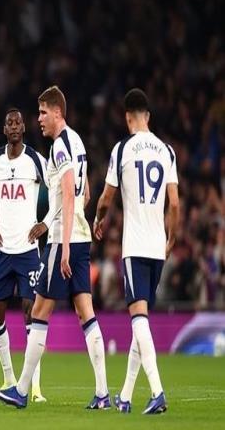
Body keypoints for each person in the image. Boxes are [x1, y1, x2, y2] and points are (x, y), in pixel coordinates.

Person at [0, 86, 109, 409]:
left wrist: (65, 245)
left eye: (43, 112)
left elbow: (70, 193)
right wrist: (82, 223)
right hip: (82, 238)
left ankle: (20, 391)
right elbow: (86, 191)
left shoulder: (60, 146)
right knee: (85, 312)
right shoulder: (78, 141)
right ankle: (102, 394)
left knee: (39, 311)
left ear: (58, 112)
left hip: (63, 240)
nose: (39, 119)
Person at [93, 88, 179, 414]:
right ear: (148, 117)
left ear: (127, 117)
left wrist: (99, 219)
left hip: (135, 246)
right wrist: (171, 238)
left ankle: (157, 392)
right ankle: (126, 396)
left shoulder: (123, 149)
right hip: (158, 246)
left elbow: (106, 198)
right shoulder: (167, 151)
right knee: (139, 322)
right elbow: (175, 203)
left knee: (138, 320)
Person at [0, 108, 49, 403]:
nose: (14, 126)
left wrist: (45, 223)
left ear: (24, 128)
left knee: (32, 313)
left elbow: (58, 191)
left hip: (28, 251)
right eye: (9, 123)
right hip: (4, 251)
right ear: (4, 130)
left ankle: (34, 388)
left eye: (18, 122)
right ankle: (8, 379)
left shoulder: (36, 160)